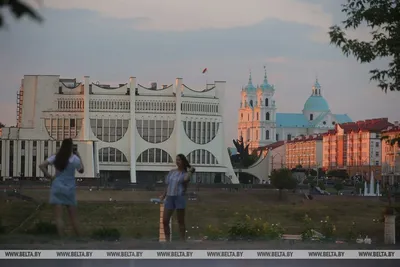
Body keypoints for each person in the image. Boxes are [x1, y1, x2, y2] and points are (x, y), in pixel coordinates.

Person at [38, 138, 84, 237]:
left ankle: (62, 239)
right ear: (71, 147)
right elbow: (81, 170)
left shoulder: (56, 157)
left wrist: (49, 176)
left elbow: (41, 165)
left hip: (57, 186)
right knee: (73, 217)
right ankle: (80, 237)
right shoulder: (75, 159)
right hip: (70, 188)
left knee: (58, 217)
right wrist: (79, 156)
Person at [160, 154, 195, 241]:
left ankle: (182, 240)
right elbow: (168, 185)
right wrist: (163, 195)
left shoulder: (185, 174)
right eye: (176, 160)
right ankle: (167, 241)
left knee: (180, 221)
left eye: (179, 160)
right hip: (170, 197)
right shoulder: (172, 172)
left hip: (179, 197)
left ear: (183, 161)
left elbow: (186, 179)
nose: (177, 161)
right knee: (165, 220)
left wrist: (190, 171)